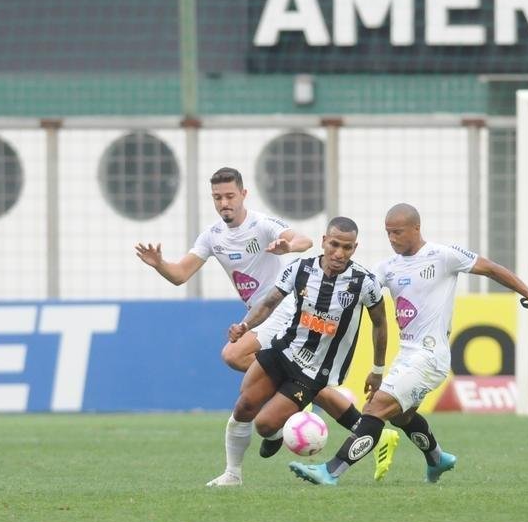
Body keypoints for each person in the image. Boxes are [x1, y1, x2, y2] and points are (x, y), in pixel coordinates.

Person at [135, 167, 393, 486]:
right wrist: (160, 264)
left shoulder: (262, 224)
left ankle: (290, 406)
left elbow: (303, 239)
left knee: (233, 355)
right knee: (281, 389)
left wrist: (289, 247)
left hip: (285, 311)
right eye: (218, 197)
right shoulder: (212, 236)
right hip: (260, 314)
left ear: (243, 195)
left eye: (230, 195)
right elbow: (179, 275)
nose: (224, 202)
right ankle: (359, 428)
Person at [290, 204, 528, 486]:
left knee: (374, 410)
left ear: (416, 228)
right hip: (407, 355)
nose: (392, 239)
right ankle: (437, 458)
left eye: (398, 232)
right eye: (388, 233)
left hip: (430, 356)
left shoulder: (443, 256)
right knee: (402, 417)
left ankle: (331, 472)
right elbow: (355, 292)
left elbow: (491, 269)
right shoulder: (386, 268)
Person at [227, 217, 388, 483]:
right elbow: (268, 303)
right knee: (244, 405)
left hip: (314, 370)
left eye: (347, 248)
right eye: (334, 244)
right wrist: (244, 326)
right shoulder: (300, 268)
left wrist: (378, 370)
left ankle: (277, 430)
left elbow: (380, 323)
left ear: (354, 249)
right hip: (283, 350)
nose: (339, 253)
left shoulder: (364, 283)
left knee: (264, 424)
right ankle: (231, 475)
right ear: (324, 241)